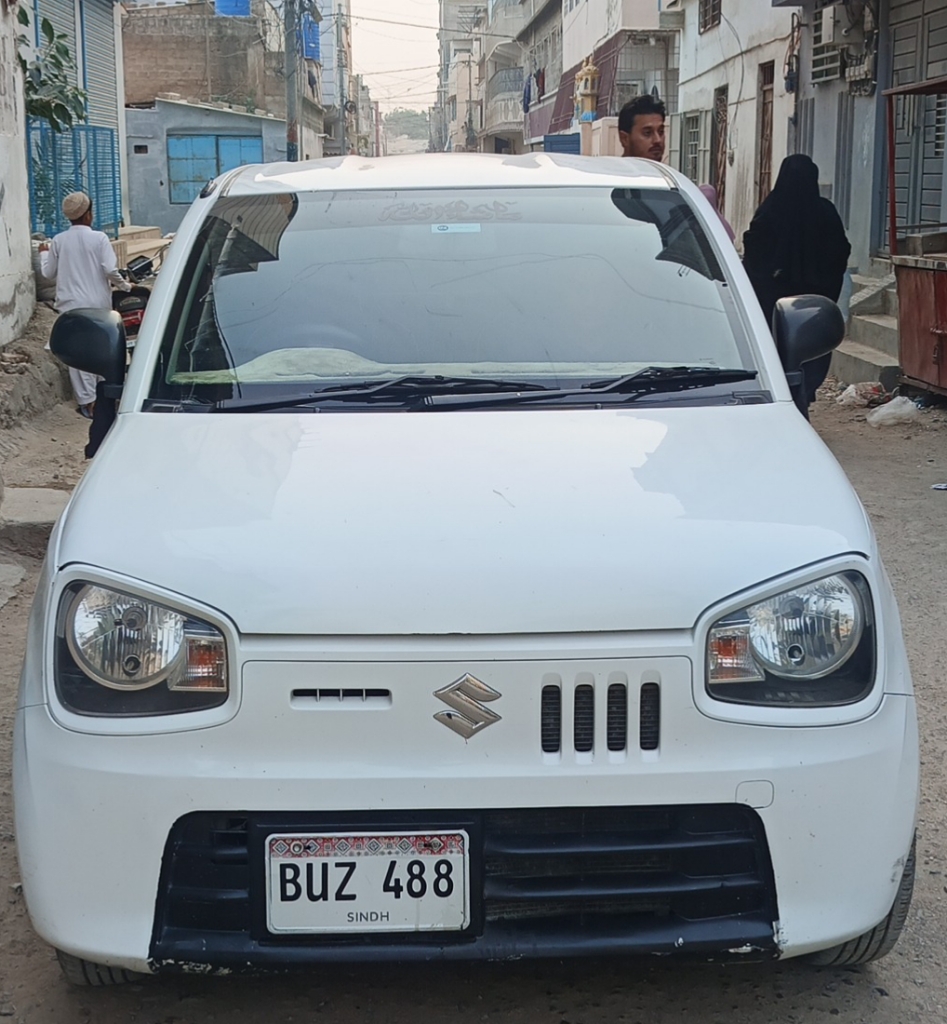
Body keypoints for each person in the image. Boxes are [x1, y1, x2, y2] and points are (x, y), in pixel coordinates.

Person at [742, 154, 851, 405]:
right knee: (810, 352)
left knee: (776, 352)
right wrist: (822, 283)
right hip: (813, 305)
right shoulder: (825, 212)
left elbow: (754, 252)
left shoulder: (770, 211)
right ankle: (804, 395)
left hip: (774, 304)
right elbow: (840, 251)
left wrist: (769, 281)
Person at [39, 192, 131, 418]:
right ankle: (105, 397)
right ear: (89, 214)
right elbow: (110, 270)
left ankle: (88, 402)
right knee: (102, 348)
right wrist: (125, 286)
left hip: (70, 305)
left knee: (79, 353)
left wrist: (43, 255)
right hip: (98, 303)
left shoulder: (58, 240)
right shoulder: (99, 238)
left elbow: (48, 273)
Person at [618, 95, 666, 162]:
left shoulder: (667, 169)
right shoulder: (610, 168)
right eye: (647, 133)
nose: (658, 140)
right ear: (624, 139)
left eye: (661, 132)